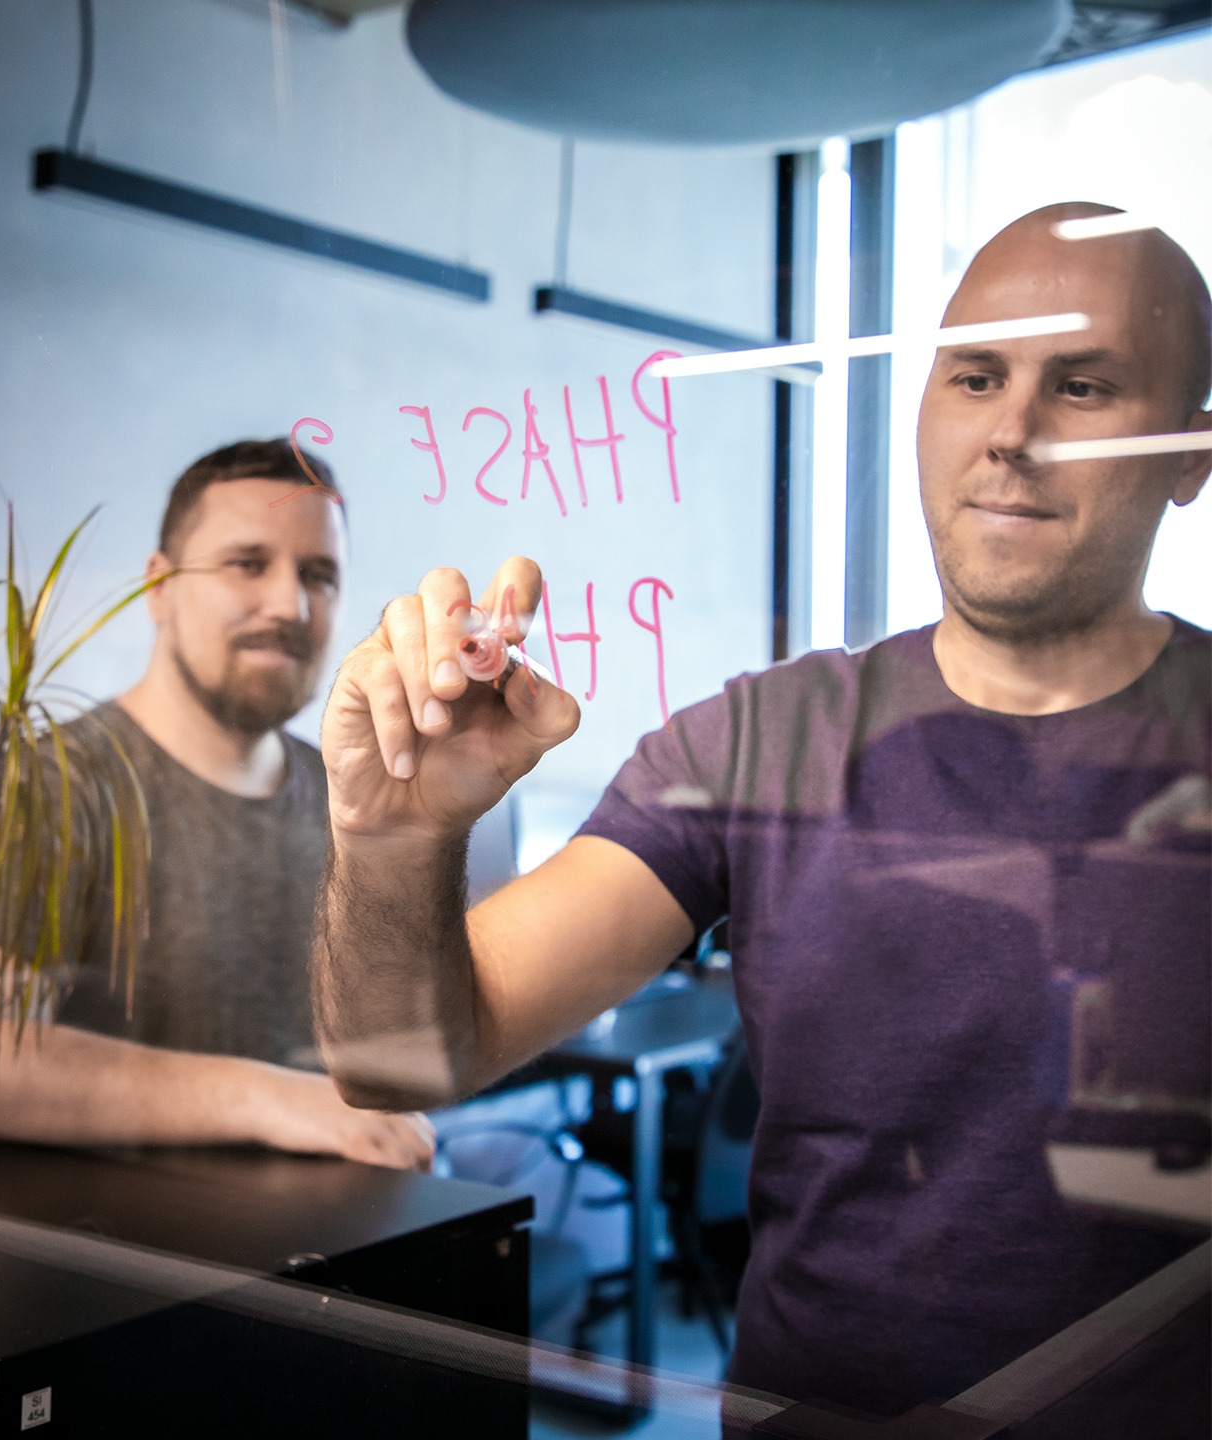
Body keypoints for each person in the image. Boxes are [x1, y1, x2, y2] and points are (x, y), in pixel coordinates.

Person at [309, 202, 1211, 1411]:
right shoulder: (760, 741)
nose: (1011, 433)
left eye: (1083, 387)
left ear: (1188, 457)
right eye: (974, 376)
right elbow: (398, 1060)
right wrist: (398, 839)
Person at [0, 440, 433, 1172]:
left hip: (336, 1255)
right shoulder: (50, 785)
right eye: (247, 563)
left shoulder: (350, 795)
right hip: (131, 1268)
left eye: (319, 575)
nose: (289, 605)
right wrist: (270, 1099)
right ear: (157, 588)